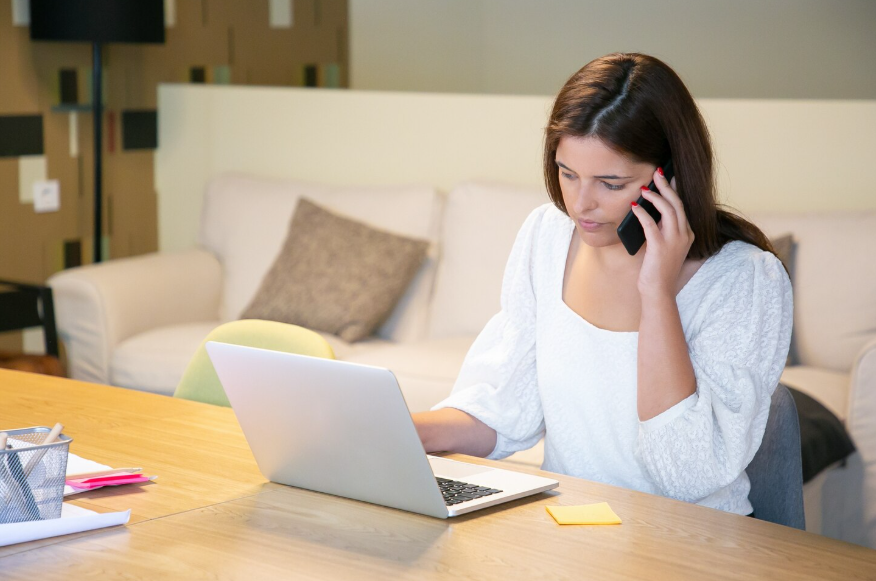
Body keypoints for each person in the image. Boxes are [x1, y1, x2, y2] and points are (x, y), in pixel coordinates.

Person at [411, 52, 793, 516]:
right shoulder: (546, 236)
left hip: (688, 541)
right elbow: (505, 410)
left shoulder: (744, 280)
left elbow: (688, 472)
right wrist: (399, 430)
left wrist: (657, 293)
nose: (580, 204)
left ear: (669, 175)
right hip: (570, 528)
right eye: (567, 173)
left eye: (611, 183)